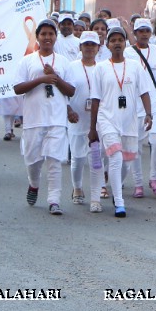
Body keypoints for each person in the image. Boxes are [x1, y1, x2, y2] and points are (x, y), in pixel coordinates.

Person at [89, 27, 153, 217]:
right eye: (113, 40)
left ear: (125, 43)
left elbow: (144, 92)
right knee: (116, 158)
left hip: (129, 121)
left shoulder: (135, 66)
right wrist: (92, 128)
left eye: (120, 40)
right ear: (107, 45)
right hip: (107, 119)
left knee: (126, 162)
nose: (117, 43)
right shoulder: (100, 68)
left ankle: (114, 186)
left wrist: (149, 113)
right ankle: (119, 202)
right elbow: (95, 99)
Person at [14, 19, 76, 215]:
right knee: (33, 160)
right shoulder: (27, 61)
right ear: (38, 37)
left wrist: (55, 79)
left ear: (55, 37)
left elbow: (71, 91)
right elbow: (17, 88)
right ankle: (33, 184)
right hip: (34, 119)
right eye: (43, 34)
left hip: (57, 119)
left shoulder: (64, 62)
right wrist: (42, 79)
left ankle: (54, 200)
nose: (47, 38)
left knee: (54, 160)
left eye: (51, 34)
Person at [125, 18, 156, 197]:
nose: (144, 34)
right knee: (135, 146)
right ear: (135, 33)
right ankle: (138, 183)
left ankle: (154, 178)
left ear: (150, 32)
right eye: (140, 31)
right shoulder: (128, 53)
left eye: (147, 30)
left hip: (155, 103)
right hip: (135, 104)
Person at [66, 32, 105, 210]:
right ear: (80, 47)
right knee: (78, 158)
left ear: (98, 47)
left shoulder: (103, 67)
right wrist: (68, 109)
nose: (89, 47)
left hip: (97, 121)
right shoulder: (71, 67)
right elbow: (63, 91)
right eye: (86, 44)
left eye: (93, 44)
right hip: (77, 119)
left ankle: (95, 197)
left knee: (96, 159)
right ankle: (77, 188)